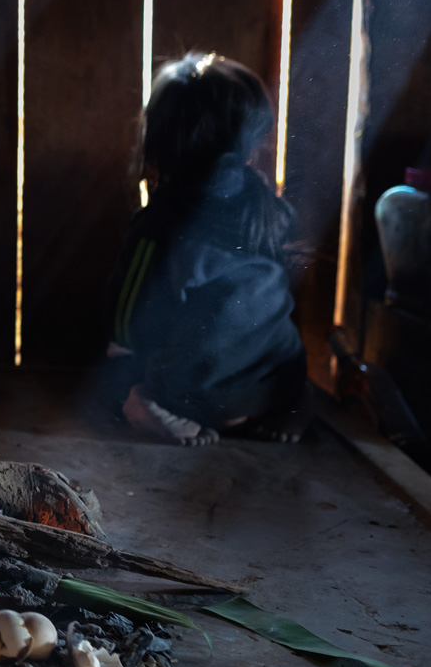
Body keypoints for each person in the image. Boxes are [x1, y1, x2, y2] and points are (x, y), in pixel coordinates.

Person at [105, 53, 307, 445]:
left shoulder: (158, 224)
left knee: (114, 366)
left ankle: (147, 406)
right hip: (275, 389)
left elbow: (124, 321)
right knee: (272, 344)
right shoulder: (267, 209)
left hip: (198, 398)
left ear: (162, 142)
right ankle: (292, 408)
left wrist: (125, 360)